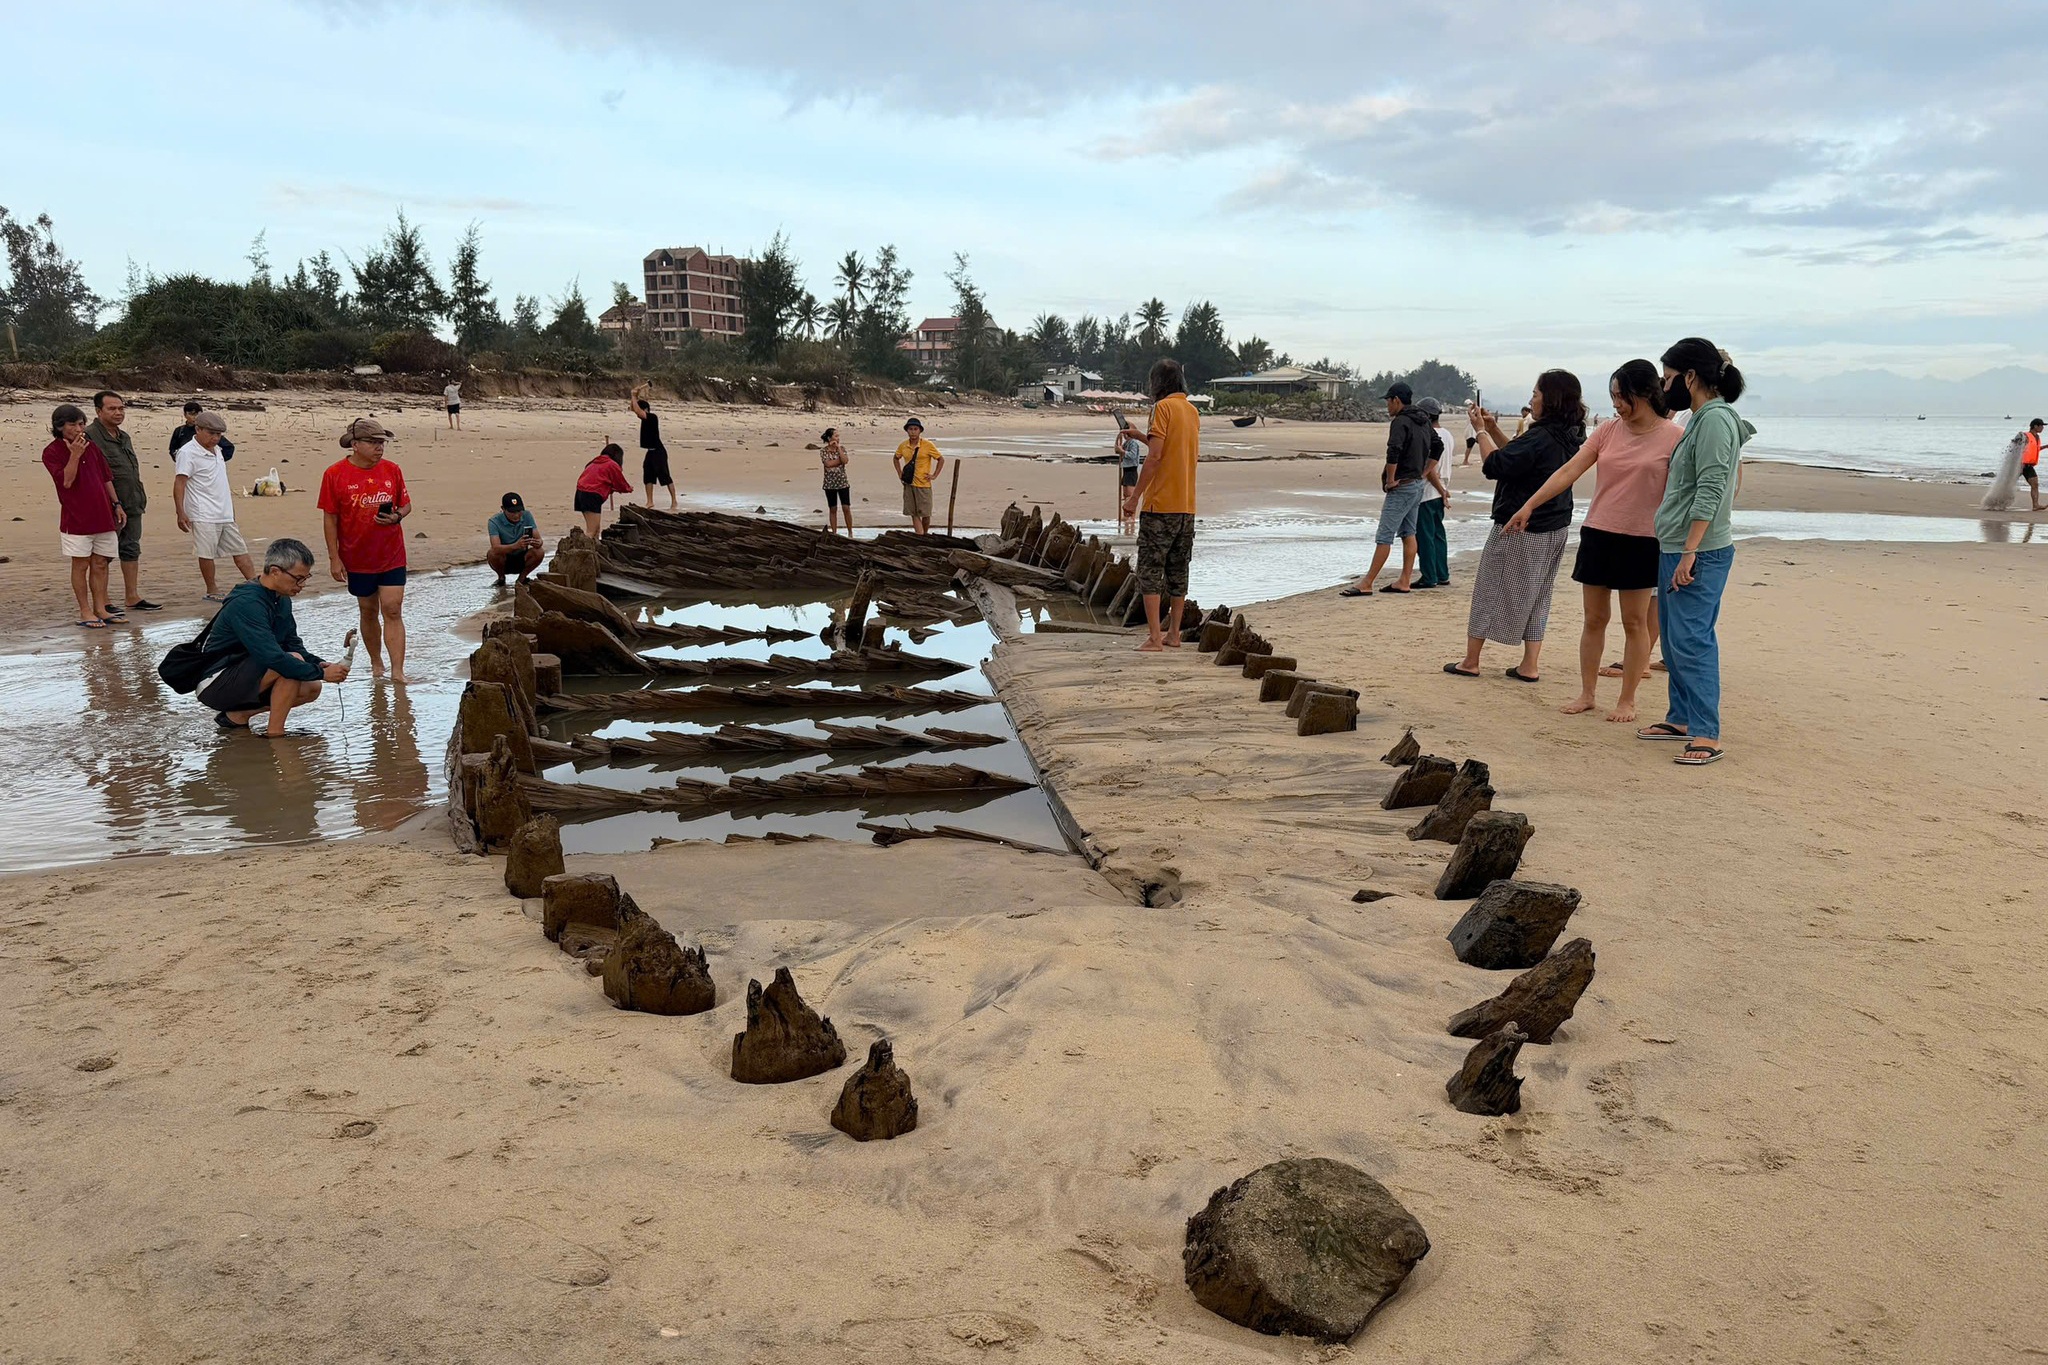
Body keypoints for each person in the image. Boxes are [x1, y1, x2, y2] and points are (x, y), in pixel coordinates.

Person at [1503, 360, 1680, 721]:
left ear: (1644, 393)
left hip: (1644, 539)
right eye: (1613, 396)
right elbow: (1569, 471)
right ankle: (1587, 693)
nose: (1616, 404)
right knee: (1594, 619)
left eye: (1621, 396)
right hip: (1599, 532)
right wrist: (1530, 506)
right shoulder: (1608, 431)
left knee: (1634, 623)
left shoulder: (1674, 437)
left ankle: (1627, 700)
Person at [1637, 338, 1752, 766]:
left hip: (1698, 550)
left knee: (1692, 641)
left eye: (1667, 379)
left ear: (1689, 377)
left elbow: (1712, 487)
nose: (1664, 388)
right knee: (1674, 637)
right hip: (1677, 546)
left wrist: (1690, 551)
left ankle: (1705, 732)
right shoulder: (1699, 419)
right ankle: (1682, 718)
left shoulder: (1716, 420)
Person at [1445, 371, 1587, 682]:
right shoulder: (1571, 433)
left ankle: (1471, 660)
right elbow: (1515, 458)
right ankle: (1529, 665)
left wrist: (1480, 431)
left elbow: (1495, 465)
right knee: (1539, 593)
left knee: (1490, 586)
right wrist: (1493, 429)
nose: (1531, 399)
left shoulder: (1541, 435)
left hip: (1521, 525)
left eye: (1536, 393)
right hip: (1556, 526)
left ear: (1550, 400)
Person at [195, 538, 350, 737]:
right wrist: (321, 673)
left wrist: (320, 665)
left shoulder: (280, 597)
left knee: (312, 686)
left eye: (306, 578)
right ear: (275, 571)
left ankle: (237, 716)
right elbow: (273, 657)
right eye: (298, 578)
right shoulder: (247, 603)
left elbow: (292, 643)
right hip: (214, 683)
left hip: (244, 673)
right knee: (291, 663)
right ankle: (275, 734)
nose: (302, 585)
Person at [318, 417, 411, 682]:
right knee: (368, 610)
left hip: (392, 553)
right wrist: (334, 558)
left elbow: (405, 505)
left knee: (392, 609)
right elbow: (330, 518)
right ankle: (376, 662)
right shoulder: (335, 474)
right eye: (373, 442)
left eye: (382, 442)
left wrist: (397, 516)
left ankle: (397, 671)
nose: (379, 447)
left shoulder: (392, 470)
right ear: (355, 444)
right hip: (356, 556)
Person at [1124, 358, 1199, 652]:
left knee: (1151, 571)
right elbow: (1171, 450)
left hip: (1160, 507)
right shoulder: (1192, 412)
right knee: (1178, 571)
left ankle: (1155, 637)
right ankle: (1174, 634)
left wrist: (1134, 497)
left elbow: (1154, 458)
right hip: (1186, 506)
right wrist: (1141, 436)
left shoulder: (1162, 408)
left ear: (1157, 383)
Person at [1341, 382, 1439, 596]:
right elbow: (1437, 446)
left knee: (1385, 534)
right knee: (1408, 532)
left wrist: (1391, 479)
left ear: (1396, 400)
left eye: (1388, 400)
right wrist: (1424, 472)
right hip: (1416, 484)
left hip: (1403, 485)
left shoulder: (1401, 421)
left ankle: (1367, 582)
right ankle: (1404, 580)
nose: (1387, 405)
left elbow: (1393, 451)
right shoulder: (1423, 420)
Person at [42, 403, 128, 629]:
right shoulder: (51, 452)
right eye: (73, 425)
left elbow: (106, 477)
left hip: (103, 514)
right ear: (60, 427)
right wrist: (74, 455)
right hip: (76, 519)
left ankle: (101, 608)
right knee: (80, 564)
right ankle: (84, 610)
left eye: (81, 424)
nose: (79, 429)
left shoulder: (92, 447)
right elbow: (66, 482)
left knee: (101, 563)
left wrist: (117, 504)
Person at [86, 391, 159, 613]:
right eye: (112, 409)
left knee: (131, 548)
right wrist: (112, 503)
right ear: (99, 411)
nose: (118, 413)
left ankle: (132, 596)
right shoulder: (90, 436)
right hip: (107, 506)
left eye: (121, 408)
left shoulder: (124, 436)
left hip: (133, 501)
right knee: (104, 554)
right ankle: (104, 600)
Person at [173, 410, 253, 602]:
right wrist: (180, 512)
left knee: (240, 550)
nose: (215, 438)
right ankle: (212, 589)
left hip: (224, 512)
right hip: (203, 513)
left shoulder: (217, 451)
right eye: (211, 433)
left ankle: (255, 583)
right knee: (206, 552)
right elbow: (180, 483)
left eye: (218, 434)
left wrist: (231, 510)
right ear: (198, 429)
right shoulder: (187, 452)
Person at [1413, 398, 1454, 589]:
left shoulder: (1429, 435)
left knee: (1425, 536)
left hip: (1429, 491)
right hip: (1440, 489)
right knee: (1438, 534)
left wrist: (1442, 491)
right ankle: (1442, 573)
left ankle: (1429, 576)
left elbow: (1430, 469)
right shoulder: (1448, 434)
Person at [893, 417, 945, 534]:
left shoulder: (927, 445)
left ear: (920, 431)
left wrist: (934, 475)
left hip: (923, 483)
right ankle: (920, 536)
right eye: (910, 429)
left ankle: (924, 534)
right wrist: (899, 473)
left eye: (915, 429)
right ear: (907, 431)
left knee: (925, 513)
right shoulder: (903, 446)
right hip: (909, 482)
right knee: (913, 512)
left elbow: (940, 459)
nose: (913, 432)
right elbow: (896, 458)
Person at [575, 442, 634, 536]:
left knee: (596, 528)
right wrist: (628, 488)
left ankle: (595, 548)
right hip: (591, 495)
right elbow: (620, 483)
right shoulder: (612, 464)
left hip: (580, 493)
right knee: (592, 530)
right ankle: (583, 548)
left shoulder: (593, 462)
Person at [631, 394, 676, 509]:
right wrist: (634, 397)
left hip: (659, 451)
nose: (636, 413)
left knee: (665, 476)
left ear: (644, 409)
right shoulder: (644, 418)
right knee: (648, 476)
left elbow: (637, 410)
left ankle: (674, 501)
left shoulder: (652, 417)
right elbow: (634, 408)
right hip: (650, 452)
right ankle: (650, 501)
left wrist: (633, 395)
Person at [487, 492, 543, 583]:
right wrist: (515, 546)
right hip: (504, 557)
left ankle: (522, 578)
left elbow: (539, 540)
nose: (516, 515)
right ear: (503, 509)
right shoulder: (494, 522)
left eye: (519, 511)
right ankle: (501, 578)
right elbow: (495, 548)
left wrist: (538, 543)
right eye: (512, 512)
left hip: (523, 557)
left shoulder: (527, 515)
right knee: (492, 553)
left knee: (539, 551)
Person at [169, 399, 234, 462]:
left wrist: (215, 460)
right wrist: (180, 459)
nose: (195, 417)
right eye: (191, 414)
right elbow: (173, 449)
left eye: (198, 414)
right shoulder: (180, 431)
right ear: (185, 415)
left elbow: (228, 447)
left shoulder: (207, 430)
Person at [819, 428, 854, 535]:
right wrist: (839, 461)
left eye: (838, 436)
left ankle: (850, 532)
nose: (838, 439)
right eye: (836, 436)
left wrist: (838, 449)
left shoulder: (842, 448)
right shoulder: (823, 451)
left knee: (846, 508)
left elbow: (845, 461)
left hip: (842, 482)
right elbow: (828, 464)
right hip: (829, 484)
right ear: (830, 438)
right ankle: (834, 533)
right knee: (833, 509)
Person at [1116, 422, 1146, 535]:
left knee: (1130, 494)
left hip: (1131, 469)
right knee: (1125, 494)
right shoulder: (1126, 443)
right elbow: (1118, 451)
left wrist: (1122, 451)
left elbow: (1132, 455)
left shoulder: (1133, 443)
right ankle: (1126, 515)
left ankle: (1131, 516)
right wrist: (1119, 446)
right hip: (1126, 468)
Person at [2023, 418, 2044, 513]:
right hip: (2019, 465)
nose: (2043, 428)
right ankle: (1996, 500)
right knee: (2008, 482)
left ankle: (2036, 505)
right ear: (2035, 426)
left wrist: (2046, 446)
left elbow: (2036, 449)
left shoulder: (2037, 438)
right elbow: (2014, 446)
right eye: (2041, 426)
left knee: (2035, 484)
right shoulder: (2025, 436)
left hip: (2028, 466)